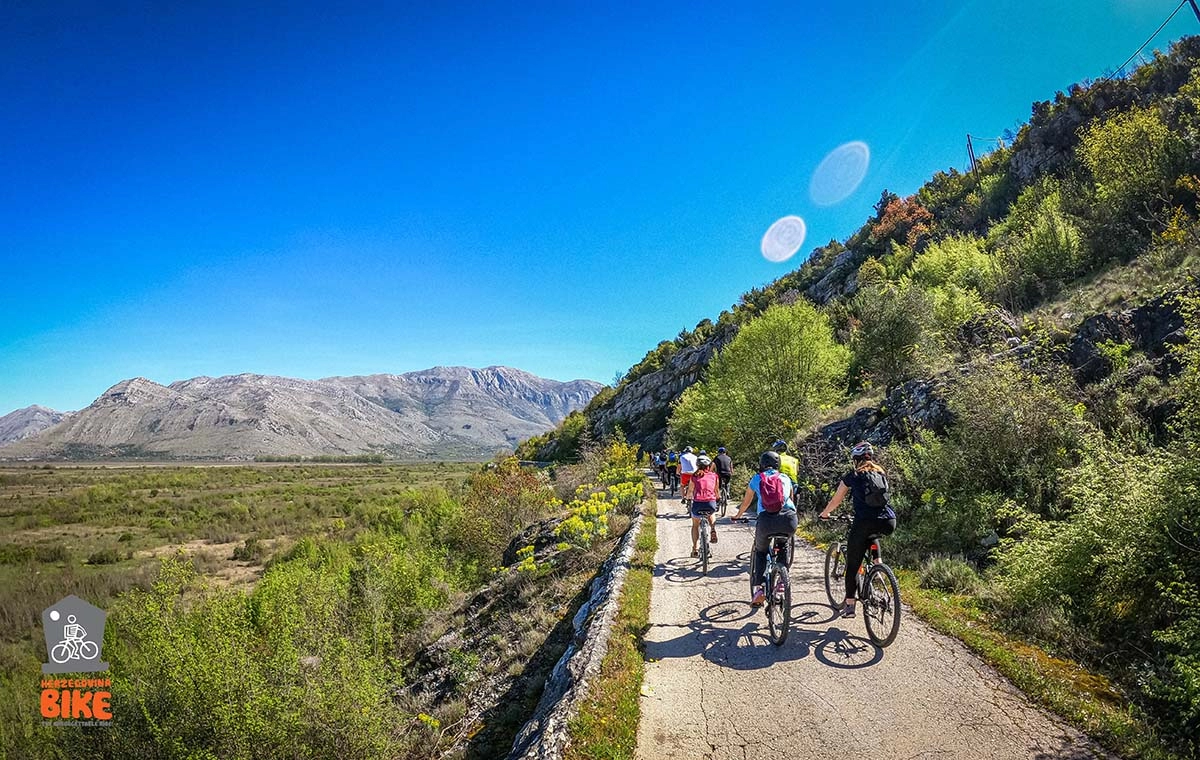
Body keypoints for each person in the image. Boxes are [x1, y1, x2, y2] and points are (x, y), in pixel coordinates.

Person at [818, 441, 897, 618]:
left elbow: (836, 500)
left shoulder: (853, 475)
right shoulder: (881, 472)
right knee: (872, 533)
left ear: (855, 459)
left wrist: (825, 513)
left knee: (853, 566)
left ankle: (850, 606)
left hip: (864, 522)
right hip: (889, 521)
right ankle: (878, 567)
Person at [731, 451, 797, 606]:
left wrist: (738, 515)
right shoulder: (785, 478)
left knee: (761, 551)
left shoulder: (757, 479)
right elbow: (791, 500)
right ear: (777, 464)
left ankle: (759, 589)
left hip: (766, 520)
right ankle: (782, 581)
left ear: (761, 464)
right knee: (783, 545)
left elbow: (746, 502)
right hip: (789, 519)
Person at [684, 454, 720, 556]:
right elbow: (716, 491)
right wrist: (717, 499)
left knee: (695, 525)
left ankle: (695, 548)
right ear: (708, 466)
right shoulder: (714, 476)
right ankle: (712, 528)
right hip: (710, 503)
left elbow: (690, 491)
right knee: (711, 512)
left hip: (698, 504)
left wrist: (688, 498)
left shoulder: (694, 476)